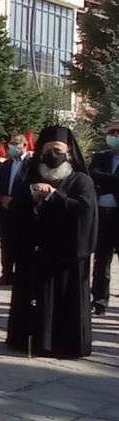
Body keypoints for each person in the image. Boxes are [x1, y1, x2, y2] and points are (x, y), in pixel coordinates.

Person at [6, 125, 96, 358]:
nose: (52, 155)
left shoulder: (80, 180)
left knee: (64, 302)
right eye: (46, 150)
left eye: (57, 149)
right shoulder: (31, 176)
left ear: (68, 152)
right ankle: (27, 340)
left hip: (66, 254)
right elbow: (16, 207)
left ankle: (63, 344)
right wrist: (32, 195)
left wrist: (56, 196)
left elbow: (84, 208)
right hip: (35, 251)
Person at [0, 132, 33, 285]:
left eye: (16, 143)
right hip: (5, 209)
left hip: (23, 209)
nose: (13, 146)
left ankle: (22, 274)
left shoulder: (31, 163)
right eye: (11, 143)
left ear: (24, 145)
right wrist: (2, 197)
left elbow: (30, 185)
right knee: (6, 243)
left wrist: (15, 200)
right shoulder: (6, 164)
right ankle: (6, 273)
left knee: (22, 243)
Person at [89, 121, 119, 316]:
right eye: (112, 132)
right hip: (102, 216)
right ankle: (99, 301)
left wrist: (106, 181)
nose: (115, 136)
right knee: (101, 261)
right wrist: (113, 181)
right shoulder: (100, 157)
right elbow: (93, 175)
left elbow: (101, 178)